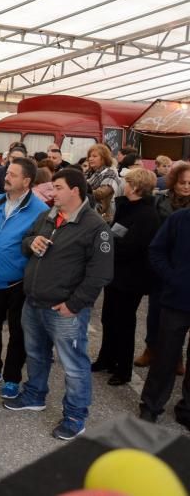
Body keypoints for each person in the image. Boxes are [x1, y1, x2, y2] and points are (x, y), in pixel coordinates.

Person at [5, 168, 113, 442]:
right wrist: (33, 242)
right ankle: (34, 395)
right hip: (34, 302)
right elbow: (24, 243)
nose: (52, 193)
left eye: (58, 188)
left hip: (64, 310)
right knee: (36, 353)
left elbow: (101, 274)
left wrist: (74, 304)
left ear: (75, 191)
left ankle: (75, 416)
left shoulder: (95, 227)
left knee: (74, 365)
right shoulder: (48, 216)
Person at [0, 157, 47, 399]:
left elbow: (39, 249)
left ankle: (12, 378)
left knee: (18, 332)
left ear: (26, 181)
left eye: (13, 174)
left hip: (19, 282)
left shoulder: (40, 211)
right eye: (7, 173)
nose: (6, 177)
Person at [91, 168, 160, 386]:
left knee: (125, 323)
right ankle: (106, 359)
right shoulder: (125, 206)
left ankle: (123, 369)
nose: (124, 185)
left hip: (132, 278)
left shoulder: (148, 215)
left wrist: (107, 247)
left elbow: (133, 246)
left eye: (128, 182)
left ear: (137, 187)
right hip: (115, 273)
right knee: (109, 318)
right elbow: (115, 232)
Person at [140, 207, 190, 431]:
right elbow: (156, 251)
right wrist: (173, 278)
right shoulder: (179, 219)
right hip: (176, 300)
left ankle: (187, 409)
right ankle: (151, 405)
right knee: (166, 355)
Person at [139, 161, 190, 371]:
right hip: (160, 266)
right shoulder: (160, 200)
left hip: (182, 268)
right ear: (173, 182)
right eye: (182, 182)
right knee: (156, 312)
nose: (186, 186)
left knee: (177, 319)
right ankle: (151, 349)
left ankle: (176, 356)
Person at [85, 143, 120, 223]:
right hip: (88, 211)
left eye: (94, 156)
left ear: (104, 158)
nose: (90, 159)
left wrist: (80, 190)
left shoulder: (110, 174)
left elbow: (100, 194)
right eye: (89, 156)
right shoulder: (88, 173)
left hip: (101, 216)